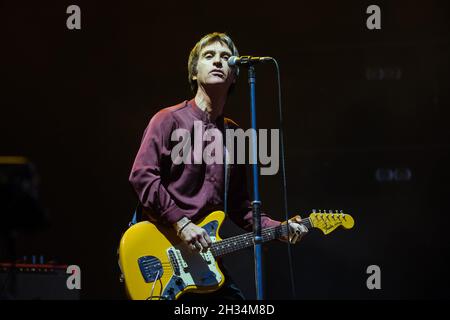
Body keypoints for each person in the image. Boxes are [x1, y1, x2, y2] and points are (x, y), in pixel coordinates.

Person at [128, 32, 308, 300]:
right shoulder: (168, 120)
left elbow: (241, 208)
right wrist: (182, 223)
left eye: (225, 57)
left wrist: (279, 228)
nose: (218, 61)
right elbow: (142, 176)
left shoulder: (234, 134)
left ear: (235, 74)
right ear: (193, 72)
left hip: (204, 260)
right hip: (162, 250)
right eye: (208, 56)